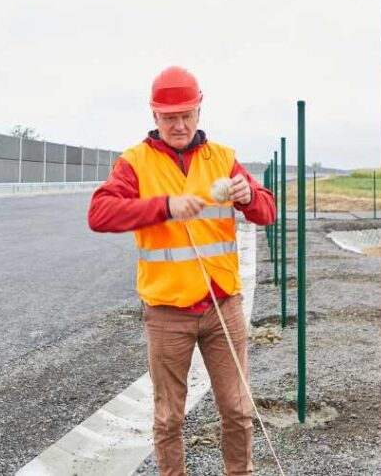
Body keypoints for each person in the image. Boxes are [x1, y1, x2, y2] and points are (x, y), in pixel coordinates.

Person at [88, 66, 275, 476]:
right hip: (167, 314)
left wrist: (249, 195)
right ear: (154, 117)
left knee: (238, 410)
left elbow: (268, 210)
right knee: (169, 418)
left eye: (186, 114)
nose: (179, 124)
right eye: (170, 117)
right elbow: (99, 214)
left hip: (222, 306)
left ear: (199, 111)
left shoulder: (223, 159)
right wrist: (165, 206)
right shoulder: (135, 162)